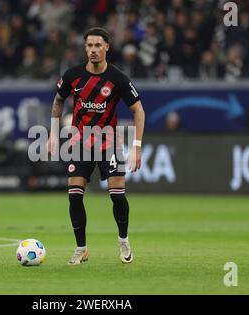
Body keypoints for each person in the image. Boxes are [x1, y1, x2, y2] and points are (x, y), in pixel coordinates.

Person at [47, 27, 145, 265]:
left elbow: (138, 111)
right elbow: (58, 101)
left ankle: (123, 240)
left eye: (97, 45)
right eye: (89, 45)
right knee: (74, 196)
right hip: (80, 141)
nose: (92, 50)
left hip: (108, 141)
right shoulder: (72, 75)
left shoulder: (118, 78)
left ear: (107, 47)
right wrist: (52, 133)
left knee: (117, 196)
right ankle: (81, 248)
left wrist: (137, 146)